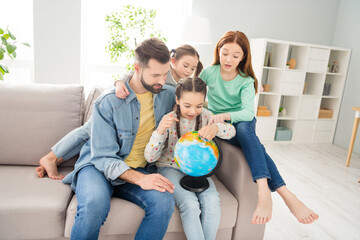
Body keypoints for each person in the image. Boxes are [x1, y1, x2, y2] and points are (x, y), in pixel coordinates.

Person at [199, 30, 319, 225]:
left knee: (246, 132)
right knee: (257, 148)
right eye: (225, 52)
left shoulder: (246, 81)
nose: (229, 59)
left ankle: (263, 192)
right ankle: (287, 195)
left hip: (241, 121)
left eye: (236, 55)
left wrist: (225, 115)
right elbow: (194, 92)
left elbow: (247, 113)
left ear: (243, 57)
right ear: (218, 50)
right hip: (221, 125)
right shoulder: (209, 73)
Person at [62, 38, 177, 240]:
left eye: (166, 73)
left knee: (164, 202)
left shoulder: (167, 94)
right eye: (156, 75)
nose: (162, 80)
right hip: (97, 167)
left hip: (140, 168)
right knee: (94, 205)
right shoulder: (108, 102)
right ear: (137, 68)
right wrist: (140, 179)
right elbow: (104, 158)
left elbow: (195, 97)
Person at [35, 44, 203, 180]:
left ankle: (55, 158)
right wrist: (119, 82)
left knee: (91, 132)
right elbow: (133, 73)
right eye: (185, 65)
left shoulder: (182, 82)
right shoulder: (161, 71)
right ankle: (51, 157)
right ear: (173, 61)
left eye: (192, 68)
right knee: (89, 129)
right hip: (122, 94)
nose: (188, 70)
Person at [144, 77, 236, 240]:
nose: (193, 111)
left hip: (198, 170)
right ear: (177, 99)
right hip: (169, 167)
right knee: (190, 205)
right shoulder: (169, 120)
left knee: (212, 202)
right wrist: (159, 131)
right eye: (187, 105)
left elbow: (231, 132)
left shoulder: (207, 117)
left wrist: (216, 127)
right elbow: (150, 157)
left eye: (199, 106)